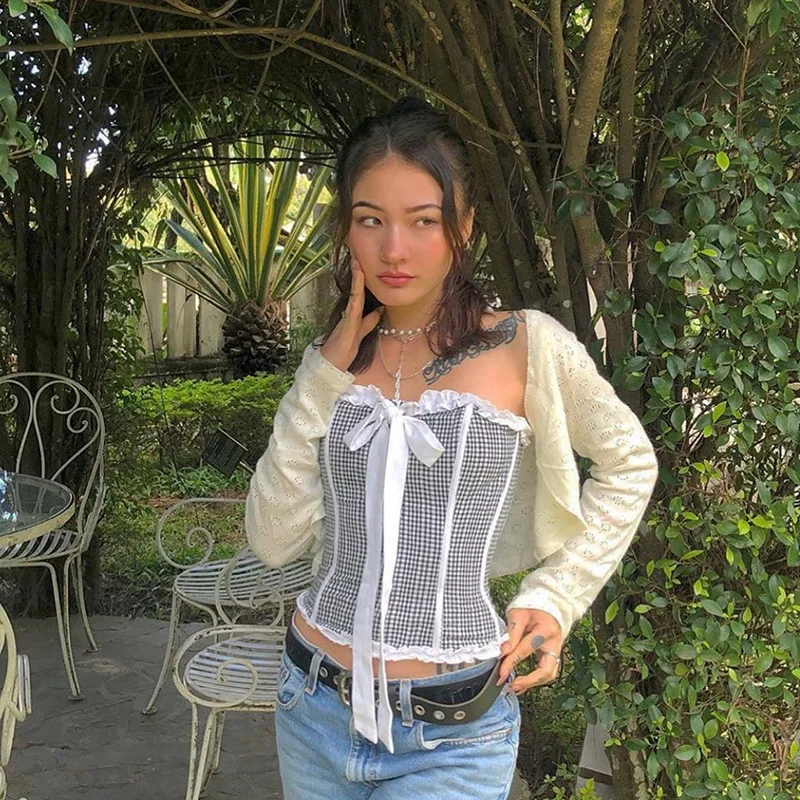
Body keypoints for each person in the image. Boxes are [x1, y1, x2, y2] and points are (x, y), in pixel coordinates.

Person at [246, 96, 658, 799]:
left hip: (456, 735)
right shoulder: (331, 362)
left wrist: (558, 596)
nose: (393, 249)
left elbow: (630, 462)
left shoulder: (525, 344)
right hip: (311, 706)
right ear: (346, 229)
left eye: (423, 220)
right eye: (370, 220)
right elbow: (272, 540)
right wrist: (319, 378)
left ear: (463, 227)